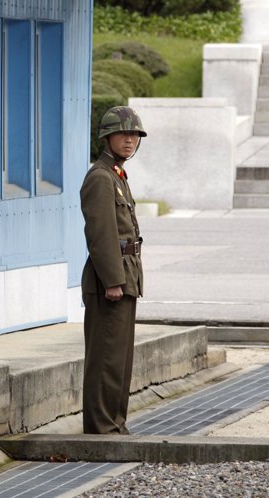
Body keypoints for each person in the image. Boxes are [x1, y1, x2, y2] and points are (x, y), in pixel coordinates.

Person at [80, 106, 147, 435]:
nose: (130, 140)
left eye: (134, 134)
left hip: (125, 276)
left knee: (119, 359)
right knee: (106, 358)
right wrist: (113, 281)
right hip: (111, 281)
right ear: (107, 137)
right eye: (124, 134)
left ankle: (114, 423)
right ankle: (101, 427)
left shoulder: (116, 175)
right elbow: (101, 233)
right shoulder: (100, 177)